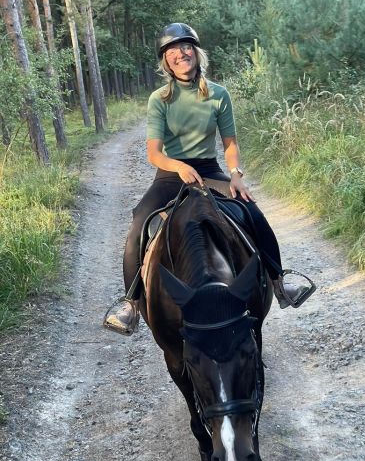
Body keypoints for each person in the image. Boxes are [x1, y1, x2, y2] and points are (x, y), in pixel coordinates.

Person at [105, 23, 315, 335]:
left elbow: (230, 144)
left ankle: (279, 281)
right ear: (166, 60)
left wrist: (235, 175)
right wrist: (178, 167)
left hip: (209, 171)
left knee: (251, 211)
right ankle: (131, 303)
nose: (180, 54)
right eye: (172, 50)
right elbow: (154, 154)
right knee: (139, 221)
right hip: (170, 175)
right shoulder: (159, 99)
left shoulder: (218, 94)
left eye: (185, 47)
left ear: (196, 52)